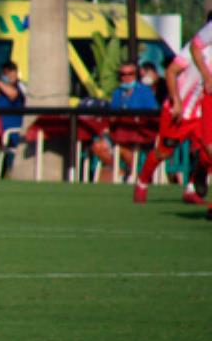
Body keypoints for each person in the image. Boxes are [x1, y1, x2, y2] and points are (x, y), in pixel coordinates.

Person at [133, 13, 212, 213]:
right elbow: (170, 72)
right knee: (164, 152)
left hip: (201, 112)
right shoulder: (194, 49)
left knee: (208, 151)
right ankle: (142, 182)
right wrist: (175, 100)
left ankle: (193, 186)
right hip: (179, 111)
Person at [91, 62, 160, 182]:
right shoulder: (117, 93)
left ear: (136, 75)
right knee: (98, 146)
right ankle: (121, 172)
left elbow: (153, 114)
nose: (126, 77)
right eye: (123, 74)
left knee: (123, 147)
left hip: (140, 133)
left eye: (130, 74)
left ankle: (138, 175)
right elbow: (112, 114)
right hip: (119, 133)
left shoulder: (145, 92)